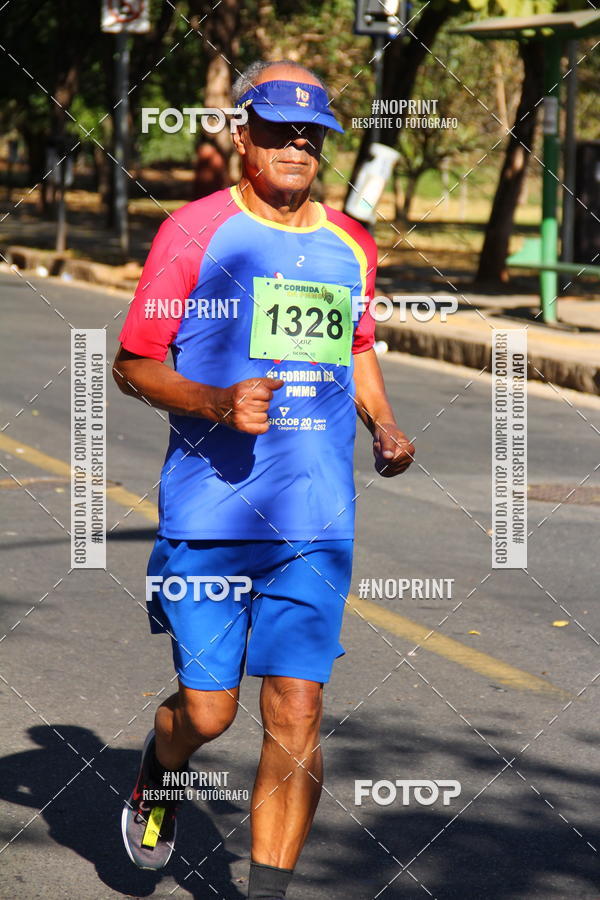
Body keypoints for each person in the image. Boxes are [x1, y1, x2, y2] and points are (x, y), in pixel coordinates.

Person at [112, 59, 414, 899]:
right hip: (212, 514)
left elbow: (354, 345)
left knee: (297, 712)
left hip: (315, 515)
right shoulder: (195, 234)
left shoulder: (351, 244)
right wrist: (211, 399)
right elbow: (132, 363)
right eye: (277, 129)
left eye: (310, 135)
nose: (294, 146)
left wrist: (381, 421)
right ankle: (159, 771)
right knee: (208, 713)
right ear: (242, 134)